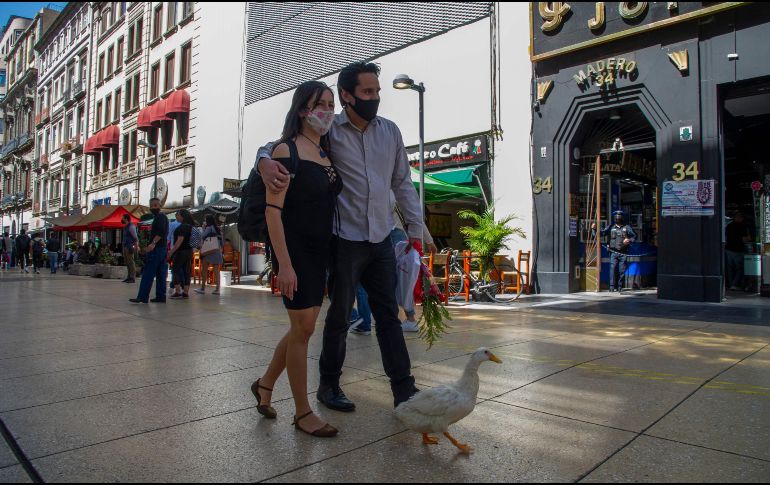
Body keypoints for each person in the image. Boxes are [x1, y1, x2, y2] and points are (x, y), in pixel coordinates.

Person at [256, 61, 423, 411]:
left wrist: (416, 228)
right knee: (339, 317)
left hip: (382, 237)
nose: (374, 98)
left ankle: (404, 390)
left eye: (377, 92)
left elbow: (402, 183)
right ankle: (328, 386)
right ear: (347, 95)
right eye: (367, 92)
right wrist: (263, 160)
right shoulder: (330, 131)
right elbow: (282, 143)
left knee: (388, 317)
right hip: (344, 239)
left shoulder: (390, 132)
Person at [252, 80, 342, 438]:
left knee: (300, 329)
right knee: (303, 331)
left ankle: (264, 385)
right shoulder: (284, 152)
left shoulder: (326, 151)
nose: (328, 111)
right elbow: (274, 213)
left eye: (331, 104)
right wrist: (284, 265)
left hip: (321, 249)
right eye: (321, 104)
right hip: (295, 251)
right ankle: (303, 412)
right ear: (303, 109)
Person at [130, 198, 169, 304]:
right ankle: (161, 296)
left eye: (156, 205)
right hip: (162, 248)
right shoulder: (162, 217)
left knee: (148, 272)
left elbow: (161, 232)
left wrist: (153, 244)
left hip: (157, 249)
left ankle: (142, 296)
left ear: (160, 205)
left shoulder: (160, 217)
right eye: (151, 205)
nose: (153, 207)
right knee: (161, 274)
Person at [593, 211, 637, 292]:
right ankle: (612, 287)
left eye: (619, 217)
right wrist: (594, 229)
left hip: (623, 253)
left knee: (621, 270)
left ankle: (620, 286)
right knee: (612, 269)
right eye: (616, 217)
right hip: (613, 252)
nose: (618, 218)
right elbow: (600, 234)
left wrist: (629, 240)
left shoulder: (627, 227)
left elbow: (634, 236)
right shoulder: (610, 227)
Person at [168, 209, 195, 299]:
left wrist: (171, 252)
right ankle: (186, 292)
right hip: (189, 251)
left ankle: (178, 291)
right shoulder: (191, 226)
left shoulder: (182, 227)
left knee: (175, 270)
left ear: (182, 216)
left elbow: (179, 241)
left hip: (181, 252)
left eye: (178, 215)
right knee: (187, 271)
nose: (176, 216)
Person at [195, 214, 224, 296]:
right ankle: (217, 289)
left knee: (204, 269)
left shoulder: (208, 228)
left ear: (207, 221)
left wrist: (203, 228)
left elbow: (203, 236)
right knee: (216, 271)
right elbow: (222, 242)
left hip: (208, 251)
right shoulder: (218, 229)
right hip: (216, 250)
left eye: (205, 220)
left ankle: (202, 288)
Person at [725, 211, 751, 292]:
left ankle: (730, 284)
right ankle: (734, 284)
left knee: (730, 269)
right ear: (740, 218)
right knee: (740, 268)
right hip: (738, 250)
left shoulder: (728, 226)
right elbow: (745, 239)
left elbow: (725, 237)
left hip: (728, 249)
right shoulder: (743, 226)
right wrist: (749, 238)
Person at [122, 214, 139, 283]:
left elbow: (135, 237)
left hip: (129, 246)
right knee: (127, 262)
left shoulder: (131, 226)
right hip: (125, 246)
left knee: (131, 262)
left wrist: (136, 246)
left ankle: (132, 278)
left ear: (126, 219)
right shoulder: (125, 227)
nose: (122, 219)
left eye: (122, 218)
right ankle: (129, 277)